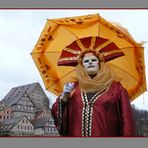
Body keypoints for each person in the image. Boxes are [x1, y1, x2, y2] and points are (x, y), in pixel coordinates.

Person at [51, 48, 136, 137]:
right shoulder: (73, 88)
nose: (90, 62)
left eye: (93, 60)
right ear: (82, 66)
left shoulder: (116, 89)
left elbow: (127, 121)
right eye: (86, 61)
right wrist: (64, 97)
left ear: (99, 63)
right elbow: (56, 114)